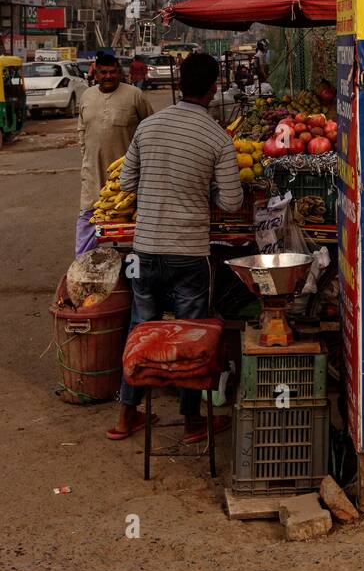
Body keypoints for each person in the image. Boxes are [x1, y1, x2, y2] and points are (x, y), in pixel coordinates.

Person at [108, 51, 244, 442]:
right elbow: (232, 202)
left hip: (145, 249)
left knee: (141, 329)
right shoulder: (218, 137)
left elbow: (126, 184)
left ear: (180, 84)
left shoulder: (148, 127)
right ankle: (192, 422)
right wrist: (206, 190)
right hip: (188, 253)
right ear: (213, 88)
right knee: (190, 336)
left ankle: (126, 415)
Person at [77, 51, 152, 254]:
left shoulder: (134, 95)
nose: (108, 76)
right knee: (88, 217)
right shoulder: (87, 95)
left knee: (132, 223)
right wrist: (88, 157)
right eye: (103, 72)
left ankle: (138, 265)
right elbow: (81, 130)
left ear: (119, 72)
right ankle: (83, 264)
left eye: (112, 72)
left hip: (127, 176)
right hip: (93, 172)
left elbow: (149, 128)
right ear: (96, 74)